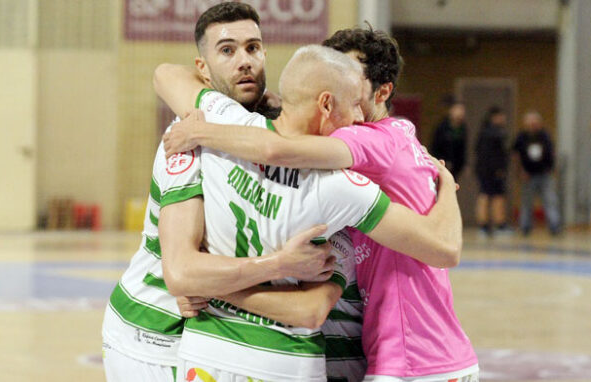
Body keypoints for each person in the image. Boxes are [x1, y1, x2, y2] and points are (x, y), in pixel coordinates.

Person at [159, 27, 478, 382]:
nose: (356, 114)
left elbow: (277, 148)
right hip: (406, 352)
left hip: (412, 358)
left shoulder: (359, 147)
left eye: (357, 93)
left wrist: (201, 132)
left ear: (382, 92)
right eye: (345, 93)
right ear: (325, 100)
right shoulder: (380, 148)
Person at [100, 4, 334, 381]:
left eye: (253, 48)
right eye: (227, 51)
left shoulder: (272, 132)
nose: (244, 61)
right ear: (202, 70)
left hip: (216, 331)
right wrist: (281, 264)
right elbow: (182, 271)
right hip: (151, 332)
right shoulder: (190, 133)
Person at [512, 111, 561, 236]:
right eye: (530, 122)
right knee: (527, 201)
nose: (533, 124)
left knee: (550, 200)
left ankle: (554, 225)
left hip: (544, 173)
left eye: (535, 122)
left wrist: (552, 168)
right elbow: (516, 155)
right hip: (528, 174)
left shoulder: (545, 136)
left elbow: (552, 152)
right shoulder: (521, 137)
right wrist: (520, 170)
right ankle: (525, 226)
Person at [474, 106, 512, 237]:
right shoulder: (493, 133)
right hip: (490, 171)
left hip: (487, 170)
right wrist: (497, 169)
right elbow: (490, 155)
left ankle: (489, 225)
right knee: (490, 196)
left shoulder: (487, 132)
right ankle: (492, 225)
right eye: (501, 116)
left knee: (492, 195)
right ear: (494, 117)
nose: (503, 118)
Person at [431, 99, 468, 178]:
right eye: (457, 110)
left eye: (462, 111)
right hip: (442, 164)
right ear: (451, 111)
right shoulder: (442, 127)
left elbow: (463, 149)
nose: (460, 113)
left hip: (456, 166)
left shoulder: (463, 129)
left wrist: (464, 164)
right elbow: (435, 146)